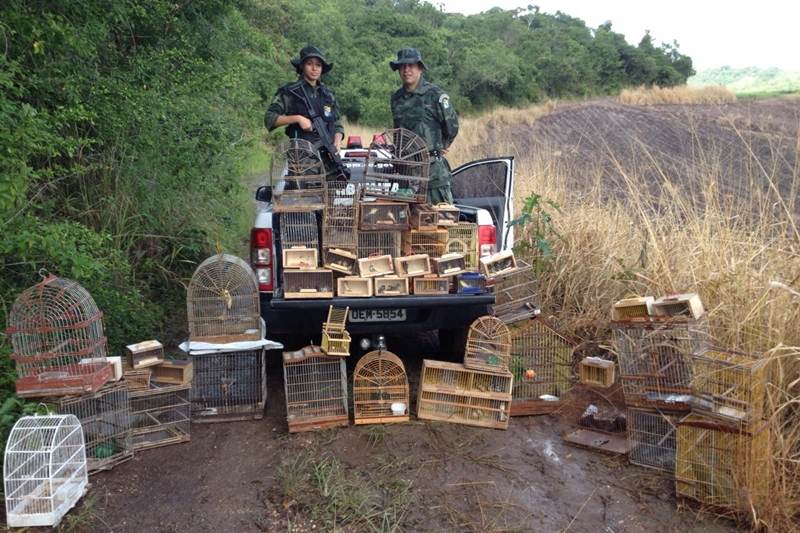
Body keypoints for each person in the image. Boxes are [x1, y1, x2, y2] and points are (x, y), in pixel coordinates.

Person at [390, 47, 459, 205]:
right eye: (402, 66)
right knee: (408, 223)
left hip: (432, 172)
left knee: (440, 221)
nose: (407, 70)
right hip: (405, 173)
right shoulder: (396, 99)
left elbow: (452, 125)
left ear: (420, 67)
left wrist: (441, 145)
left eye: (411, 65)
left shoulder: (435, 95)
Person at [265, 45, 344, 180]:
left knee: (332, 198)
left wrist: (337, 141)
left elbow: (336, 122)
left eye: (318, 65)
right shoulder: (290, 91)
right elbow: (270, 118)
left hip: (329, 164)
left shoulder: (328, 95)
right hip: (303, 165)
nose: (314, 69)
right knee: (306, 199)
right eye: (309, 64)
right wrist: (297, 118)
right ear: (302, 66)